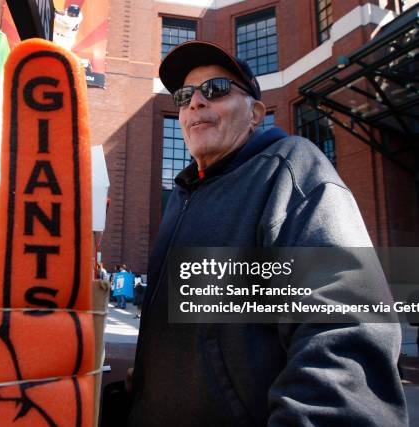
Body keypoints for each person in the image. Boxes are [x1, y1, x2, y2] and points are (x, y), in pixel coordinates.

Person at [125, 41, 407, 426]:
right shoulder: (184, 195)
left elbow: (346, 332)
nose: (195, 103)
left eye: (216, 90)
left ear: (256, 113)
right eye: (185, 95)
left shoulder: (292, 170)